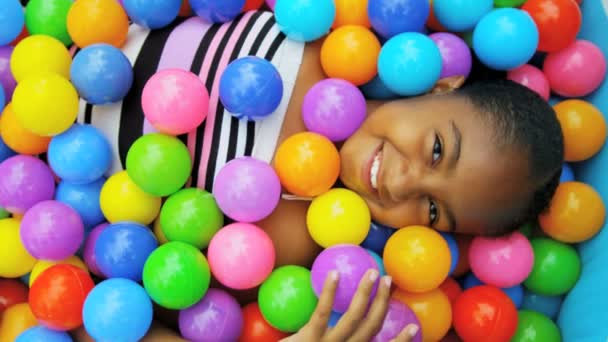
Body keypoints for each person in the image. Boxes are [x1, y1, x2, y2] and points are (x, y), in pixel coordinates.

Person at [73, 9, 564, 341]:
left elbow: (123, 315)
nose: (405, 183)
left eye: (433, 210)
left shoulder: (286, 243)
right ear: (439, 87)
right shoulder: (311, 29)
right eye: (437, 149)